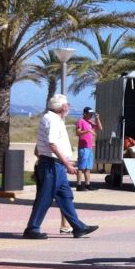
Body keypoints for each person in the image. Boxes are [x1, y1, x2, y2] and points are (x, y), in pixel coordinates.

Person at [22, 94, 99, 240]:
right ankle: (32, 228)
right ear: (63, 107)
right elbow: (52, 144)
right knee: (45, 197)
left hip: (54, 164)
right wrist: (67, 164)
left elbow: (42, 144)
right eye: (68, 104)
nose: (69, 107)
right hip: (53, 164)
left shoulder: (50, 118)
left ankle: (78, 227)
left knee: (65, 196)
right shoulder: (53, 120)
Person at [74, 106, 102, 191]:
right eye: (89, 114)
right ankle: (79, 185)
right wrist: (88, 131)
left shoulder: (90, 122)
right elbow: (78, 132)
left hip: (89, 147)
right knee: (81, 167)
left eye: (91, 114)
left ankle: (87, 184)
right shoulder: (81, 121)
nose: (90, 116)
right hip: (83, 147)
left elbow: (100, 128)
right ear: (85, 113)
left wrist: (97, 119)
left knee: (88, 167)